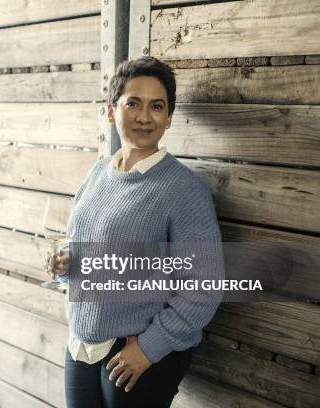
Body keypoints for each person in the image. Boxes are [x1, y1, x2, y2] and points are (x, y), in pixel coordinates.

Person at [46, 57, 224, 407]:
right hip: (82, 344)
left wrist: (149, 347)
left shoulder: (184, 190)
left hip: (138, 353)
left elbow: (204, 287)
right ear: (112, 112)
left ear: (169, 117)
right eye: (133, 103)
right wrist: (65, 267)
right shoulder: (97, 175)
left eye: (157, 106)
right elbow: (85, 254)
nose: (145, 116)